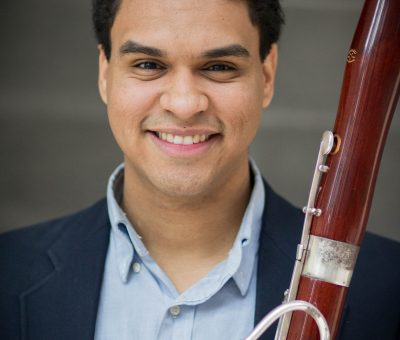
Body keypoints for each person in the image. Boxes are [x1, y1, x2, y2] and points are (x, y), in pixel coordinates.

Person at [0, 0, 399, 339]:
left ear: (267, 74)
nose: (185, 104)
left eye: (220, 67)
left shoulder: (388, 286)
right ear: (106, 73)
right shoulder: (8, 268)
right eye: (148, 63)